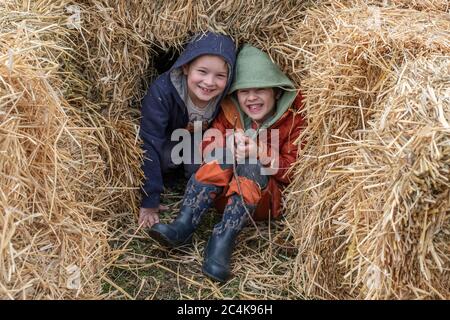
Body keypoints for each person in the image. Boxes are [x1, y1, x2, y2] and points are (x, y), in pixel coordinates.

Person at [149, 44, 304, 282]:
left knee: (252, 162)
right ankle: (184, 224)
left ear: (276, 92)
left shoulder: (291, 121)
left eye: (260, 90)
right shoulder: (230, 112)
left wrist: (262, 152)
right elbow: (203, 149)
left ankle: (222, 242)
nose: (251, 97)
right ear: (236, 94)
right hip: (219, 196)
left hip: (260, 201)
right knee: (223, 152)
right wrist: (225, 144)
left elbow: (295, 172)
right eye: (244, 91)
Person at [139, 32, 236, 229]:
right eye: (202, 71)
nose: (209, 82)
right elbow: (149, 141)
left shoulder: (226, 96)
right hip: (169, 140)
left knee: (200, 165)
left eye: (220, 76)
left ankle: (189, 180)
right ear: (185, 67)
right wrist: (150, 199)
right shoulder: (164, 91)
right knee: (165, 159)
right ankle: (168, 176)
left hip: (199, 140)